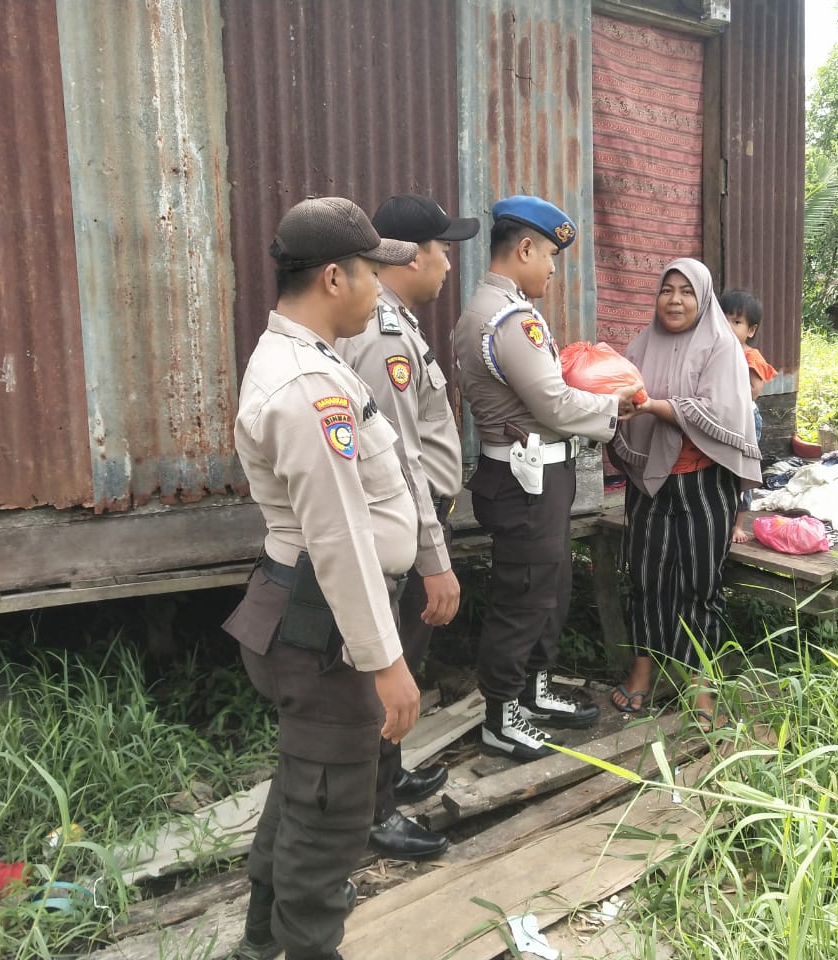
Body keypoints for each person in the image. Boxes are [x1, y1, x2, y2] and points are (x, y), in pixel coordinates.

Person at [223, 197, 424, 960]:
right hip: (325, 627)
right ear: (335, 276)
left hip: (313, 611)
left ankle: (259, 944)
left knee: (305, 784)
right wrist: (387, 662)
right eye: (374, 271)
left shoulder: (312, 359)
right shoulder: (308, 386)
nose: (382, 287)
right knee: (330, 807)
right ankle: (304, 946)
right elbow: (337, 540)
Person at [455, 195, 640, 762]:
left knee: (549, 588)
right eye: (550, 256)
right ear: (526, 248)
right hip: (524, 477)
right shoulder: (508, 318)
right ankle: (501, 717)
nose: (554, 269)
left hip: (531, 474)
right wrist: (615, 406)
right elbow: (554, 404)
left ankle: (531, 692)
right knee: (525, 595)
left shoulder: (495, 310)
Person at [337, 193, 479, 861]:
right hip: (403, 525)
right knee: (386, 670)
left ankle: (387, 778)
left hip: (413, 520)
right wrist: (432, 554)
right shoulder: (384, 336)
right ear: (411, 255)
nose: (449, 263)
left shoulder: (394, 324)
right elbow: (400, 458)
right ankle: (372, 812)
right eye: (443, 249)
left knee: (404, 663)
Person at [607, 259, 762, 729]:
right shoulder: (639, 345)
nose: (674, 300)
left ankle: (700, 684)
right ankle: (642, 674)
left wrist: (654, 405)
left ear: (703, 298)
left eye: (686, 292)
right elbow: (617, 392)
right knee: (647, 579)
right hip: (649, 483)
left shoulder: (721, 346)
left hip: (704, 481)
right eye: (666, 290)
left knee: (701, 584)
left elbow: (719, 411)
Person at [720, 288, 777, 543]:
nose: (729, 326)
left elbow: (755, 390)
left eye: (737, 322)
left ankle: (738, 525)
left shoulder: (749, 355)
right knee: (724, 469)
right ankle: (723, 517)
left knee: (743, 469)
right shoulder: (717, 353)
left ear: (750, 330)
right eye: (724, 320)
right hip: (723, 419)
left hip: (745, 419)